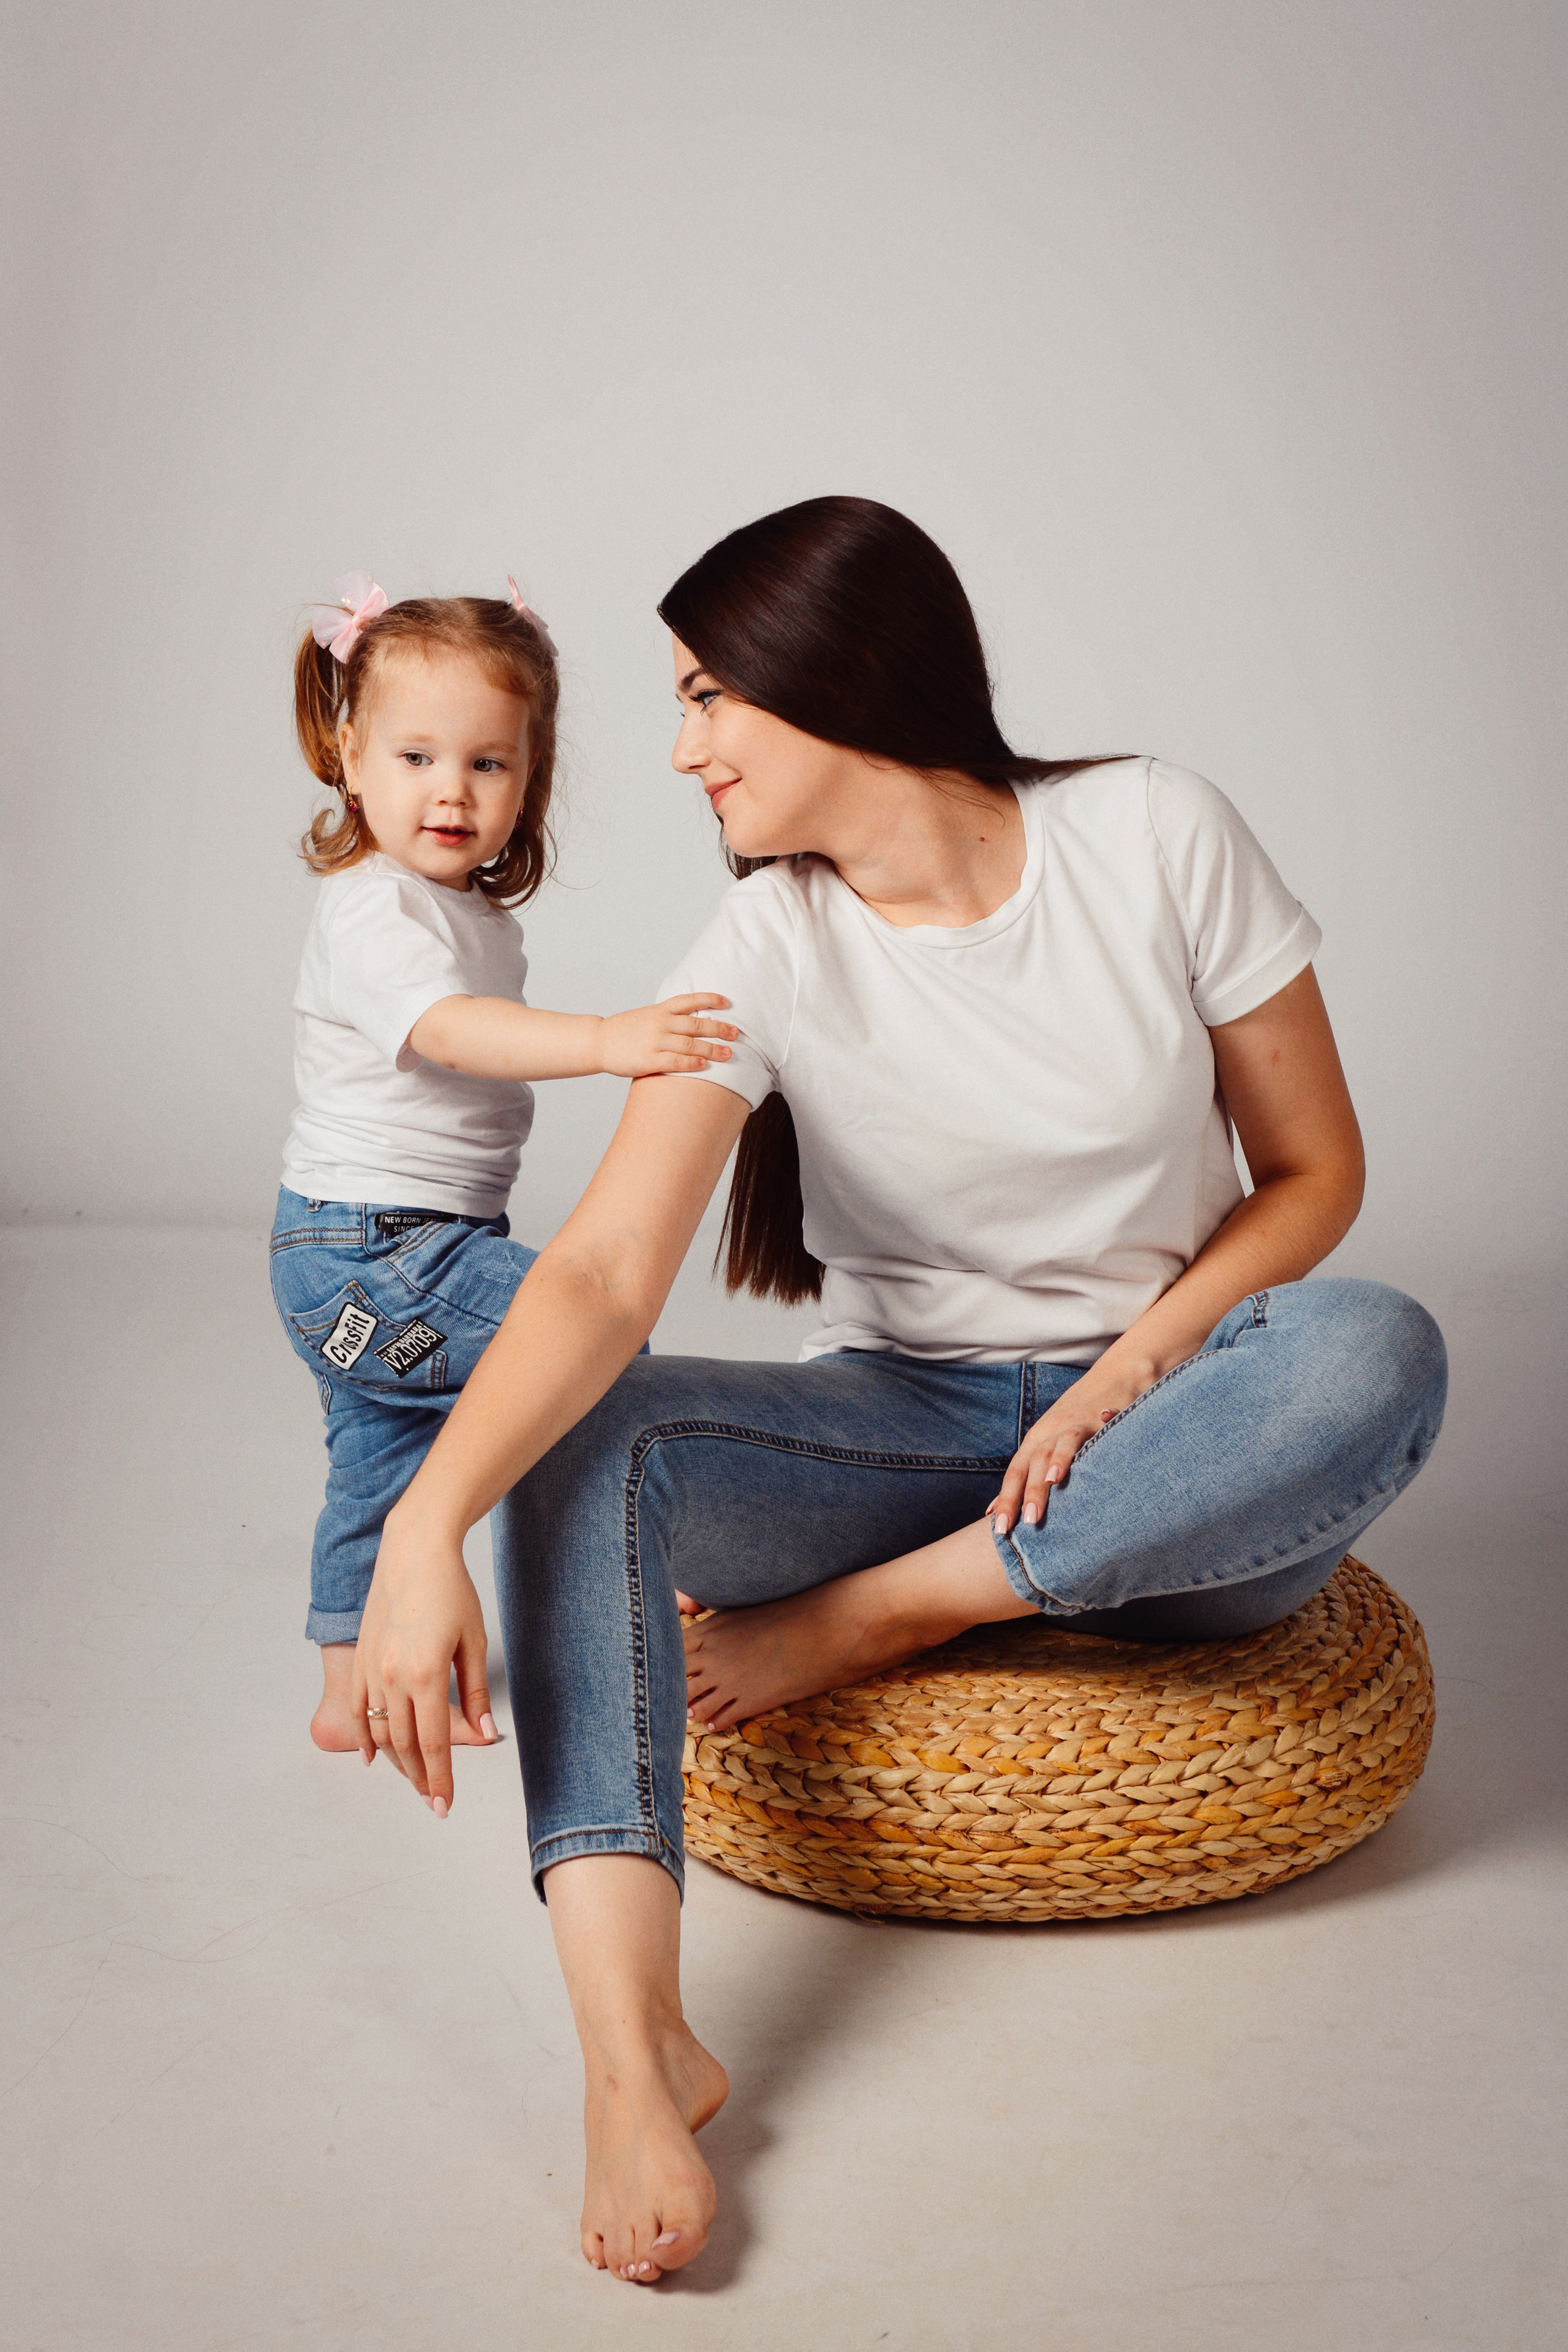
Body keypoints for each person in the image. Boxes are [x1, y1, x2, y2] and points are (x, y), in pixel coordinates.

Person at [348, 501, 1447, 2283]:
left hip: (1172, 1445)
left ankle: (883, 1620)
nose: (684, 748)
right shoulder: (760, 949)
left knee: (1380, 1346)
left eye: (710, 697)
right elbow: (605, 1278)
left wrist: (1136, 1375)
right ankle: (633, 2061)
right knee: (581, 1447)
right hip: (904, 1426)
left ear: (834, 674)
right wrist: (426, 1520)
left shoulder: (1155, 831)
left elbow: (1316, 1173)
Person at [270, 572, 737, 1753]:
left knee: (378, 1462)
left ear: (530, 781)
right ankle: (630, 1574)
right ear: (351, 756)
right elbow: (445, 1033)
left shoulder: (478, 918)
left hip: (391, 1250)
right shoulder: (373, 912)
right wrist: (606, 1043)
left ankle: (347, 1691)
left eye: (490, 765)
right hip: (370, 1251)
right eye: (418, 757)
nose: (452, 791)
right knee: (583, 1339)